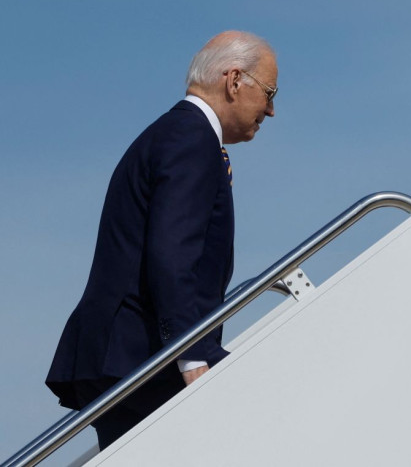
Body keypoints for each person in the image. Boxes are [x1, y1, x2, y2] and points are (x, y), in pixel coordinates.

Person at [45, 30, 278, 450]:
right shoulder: (191, 139)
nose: (272, 110)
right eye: (270, 92)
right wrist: (192, 355)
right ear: (234, 80)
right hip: (144, 357)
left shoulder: (171, 133)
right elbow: (173, 254)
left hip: (125, 355)